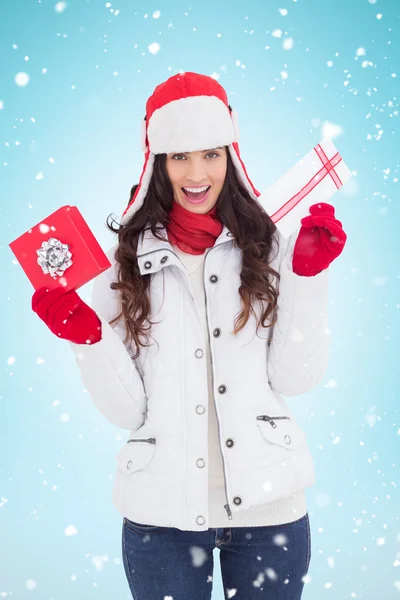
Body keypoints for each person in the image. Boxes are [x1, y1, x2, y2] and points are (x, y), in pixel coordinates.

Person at [31, 72, 347, 599]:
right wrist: (88, 339)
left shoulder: (266, 247)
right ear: (157, 162)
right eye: (180, 156)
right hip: (163, 523)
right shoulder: (124, 266)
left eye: (211, 154)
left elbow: (297, 376)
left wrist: (307, 279)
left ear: (231, 156)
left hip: (271, 514)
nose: (197, 173)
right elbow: (129, 412)